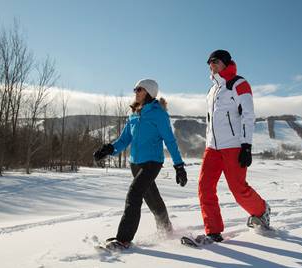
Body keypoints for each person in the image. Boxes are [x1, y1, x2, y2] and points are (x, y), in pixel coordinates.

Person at [93, 79, 188, 250]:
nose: (135, 92)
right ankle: (166, 229)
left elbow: (170, 141)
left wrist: (179, 166)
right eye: (135, 89)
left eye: (139, 89)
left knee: (134, 194)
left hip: (152, 162)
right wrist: (108, 149)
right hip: (135, 162)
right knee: (152, 198)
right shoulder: (134, 113)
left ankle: (123, 240)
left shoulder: (159, 113)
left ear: (149, 92)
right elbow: (124, 140)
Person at [197, 50, 270, 243]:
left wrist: (246, 145)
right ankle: (213, 231)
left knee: (238, 189)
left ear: (226, 63)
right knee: (205, 188)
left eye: (215, 61)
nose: (211, 65)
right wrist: (208, 142)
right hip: (212, 147)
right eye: (209, 63)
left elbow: (248, 115)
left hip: (233, 146)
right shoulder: (212, 90)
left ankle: (261, 210)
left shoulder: (239, 84)